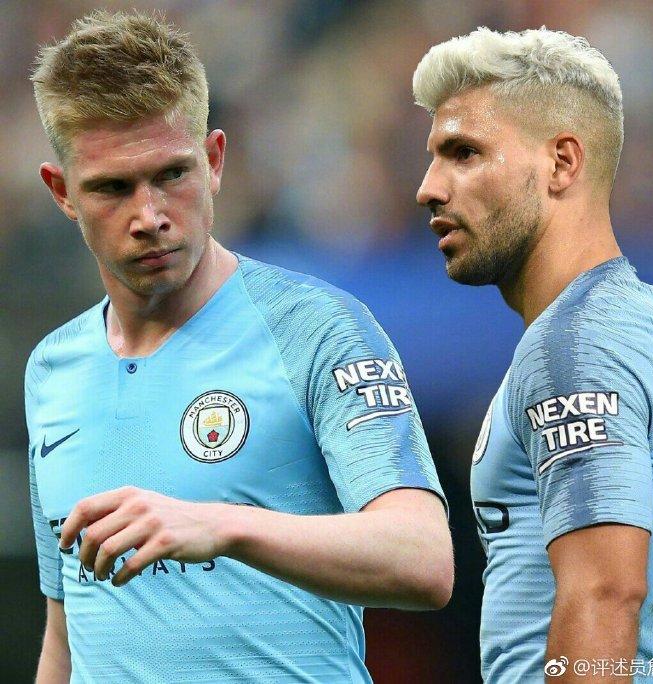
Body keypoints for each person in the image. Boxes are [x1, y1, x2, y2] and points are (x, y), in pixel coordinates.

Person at [26, 10, 453, 683]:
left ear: (215, 160)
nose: (149, 216)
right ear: (62, 193)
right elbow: (67, 631)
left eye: (172, 174)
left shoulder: (317, 328)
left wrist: (224, 526)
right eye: (112, 187)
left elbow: (424, 558)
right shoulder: (52, 370)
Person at [414, 27, 653, 682]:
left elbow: (605, 593)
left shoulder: (572, 346)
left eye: (464, 153)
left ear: (562, 164)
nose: (429, 188)